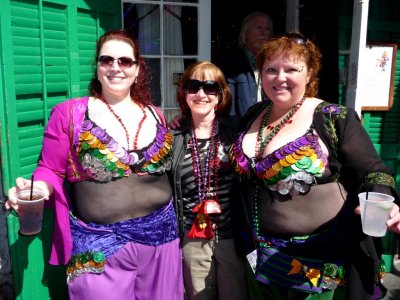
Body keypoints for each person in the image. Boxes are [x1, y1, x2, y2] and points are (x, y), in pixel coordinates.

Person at [5, 29, 183, 300]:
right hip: (99, 244)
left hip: (163, 238)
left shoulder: (155, 114)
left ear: (137, 69)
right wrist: (38, 187)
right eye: (106, 60)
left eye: (125, 61)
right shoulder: (69, 114)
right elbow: (50, 169)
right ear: (97, 67)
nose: (115, 68)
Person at [229, 32, 400, 299]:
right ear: (261, 75)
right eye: (271, 69)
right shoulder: (254, 114)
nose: (280, 77)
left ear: (309, 74)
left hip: (319, 262)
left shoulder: (332, 117)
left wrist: (387, 202)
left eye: (291, 69)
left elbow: (373, 169)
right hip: (260, 256)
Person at [170, 61, 248, 300]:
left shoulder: (237, 131)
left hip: (231, 237)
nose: (201, 94)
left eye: (210, 87)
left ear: (221, 94)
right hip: (193, 238)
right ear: (184, 93)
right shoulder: (173, 137)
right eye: (193, 86)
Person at [216, 11, 273, 117]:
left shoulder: (273, 62)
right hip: (238, 129)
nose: (264, 32)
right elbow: (213, 98)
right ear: (245, 33)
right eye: (259, 28)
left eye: (267, 28)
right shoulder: (229, 62)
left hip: (268, 126)